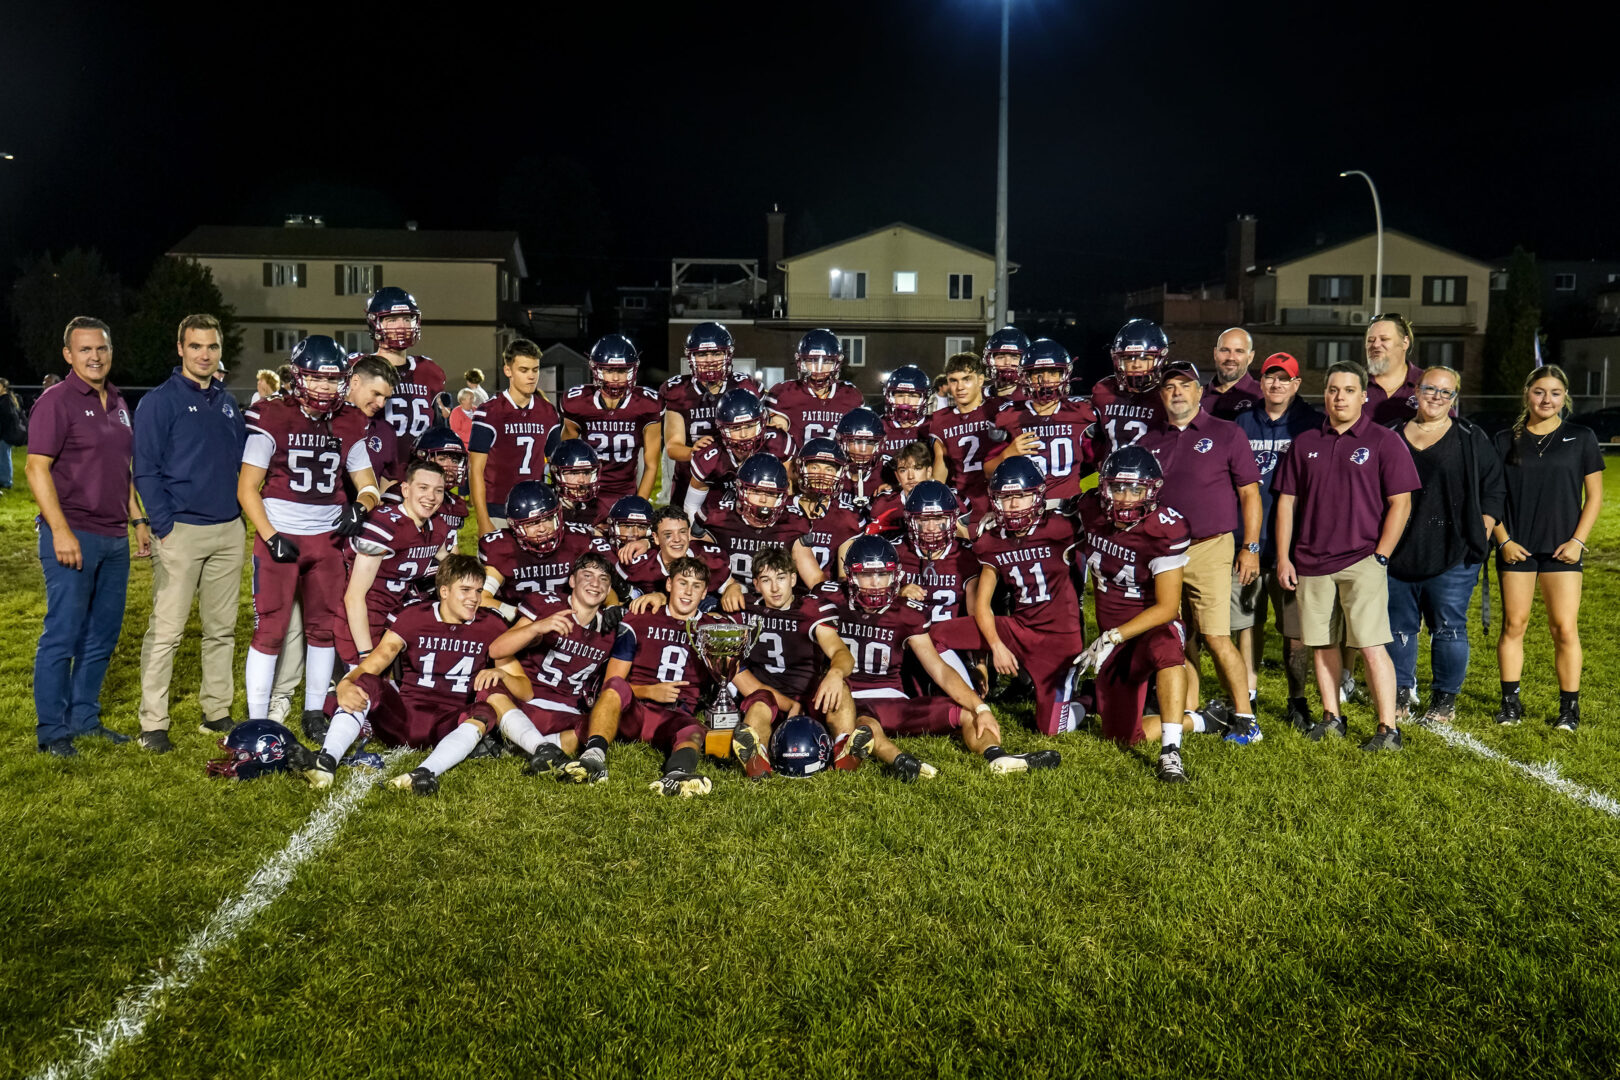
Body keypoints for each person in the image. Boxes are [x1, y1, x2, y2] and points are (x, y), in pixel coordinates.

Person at [1273, 360, 1420, 750]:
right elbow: (1287, 503)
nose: (1340, 397)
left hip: (1362, 559)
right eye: (1334, 390)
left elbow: (1400, 503)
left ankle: (1388, 728)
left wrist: (1382, 555)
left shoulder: (1384, 441)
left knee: (1370, 645)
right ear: (1325, 394)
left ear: (1363, 396)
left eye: (1349, 390)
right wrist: (1285, 557)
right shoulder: (1305, 443)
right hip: (1311, 561)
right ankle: (1332, 716)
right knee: (1321, 643)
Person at [240, 335, 381, 737]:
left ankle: (314, 711)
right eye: (315, 378)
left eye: (331, 379)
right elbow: (247, 488)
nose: (323, 387)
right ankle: (258, 720)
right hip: (280, 534)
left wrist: (363, 505)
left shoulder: (349, 420)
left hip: (327, 539)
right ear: (297, 376)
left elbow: (367, 483)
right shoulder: (271, 414)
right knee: (270, 629)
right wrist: (269, 535)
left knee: (323, 629)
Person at [825, 536, 1060, 775]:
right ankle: (901, 761)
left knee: (968, 713)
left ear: (895, 576)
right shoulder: (830, 601)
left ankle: (997, 757)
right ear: (850, 575)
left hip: (894, 701)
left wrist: (981, 708)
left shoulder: (906, 612)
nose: (875, 583)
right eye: (865, 574)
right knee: (864, 725)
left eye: (882, 575)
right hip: (849, 699)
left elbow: (939, 669)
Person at [25, 316, 150, 755]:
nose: (94, 356)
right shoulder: (55, 401)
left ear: (110, 351)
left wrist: (137, 521)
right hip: (73, 532)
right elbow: (35, 467)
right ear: (68, 356)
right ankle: (52, 732)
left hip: (114, 536)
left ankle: (84, 718)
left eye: (101, 348)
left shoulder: (117, 400)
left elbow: (122, 470)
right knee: (63, 632)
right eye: (84, 350)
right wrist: (60, 531)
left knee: (102, 634)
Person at [306, 555, 525, 794]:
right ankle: (326, 760)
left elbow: (525, 688)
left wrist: (501, 675)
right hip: (404, 719)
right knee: (367, 681)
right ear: (444, 591)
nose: (474, 598)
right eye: (465, 590)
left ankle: (425, 772)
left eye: (478, 590)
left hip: (449, 725)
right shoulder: (414, 617)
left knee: (486, 711)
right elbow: (377, 660)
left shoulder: (491, 626)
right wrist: (346, 683)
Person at [131, 314, 248, 753]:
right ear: (180, 348)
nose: (204, 354)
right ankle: (153, 722)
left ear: (220, 351)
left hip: (227, 530)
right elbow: (144, 467)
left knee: (221, 629)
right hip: (180, 530)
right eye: (196, 346)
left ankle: (215, 709)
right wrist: (162, 525)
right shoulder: (160, 401)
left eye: (212, 347)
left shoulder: (226, 400)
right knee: (167, 631)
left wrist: (237, 516)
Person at [1137, 359, 1262, 743]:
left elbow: (1250, 493)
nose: (1177, 392)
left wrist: (1250, 546)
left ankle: (1245, 717)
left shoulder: (1226, 434)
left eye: (1184, 385)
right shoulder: (1148, 440)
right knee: (1177, 634)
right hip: (1164, 551)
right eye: (1170, 386)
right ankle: (1188, 708)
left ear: (1199, 391)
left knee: (1217, 636)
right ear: (1161, 394)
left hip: (1210, 546)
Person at [1380, 365, 1505, 724]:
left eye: (1445, 392)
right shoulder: (1390, 435)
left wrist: (1484, 525)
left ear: (1454, 398)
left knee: (1448, 626)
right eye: (1430, 389)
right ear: (1415, 391)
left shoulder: (1469, 436)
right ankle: (1401, 693)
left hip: (1454, 550)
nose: (1436, 396)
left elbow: (1494, 486)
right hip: (1399, 548)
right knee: (1397, 626)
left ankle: (1444, 701)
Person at [928, 457, 1086, 736]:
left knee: (1051, 730)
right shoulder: (992, 540)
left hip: (1060, 641)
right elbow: (982, 604)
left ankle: (1090, 699)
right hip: (1020, 629)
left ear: (1037, 497)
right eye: (1006, 497)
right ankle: (970, 696)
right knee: (936, 635)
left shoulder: (1061, 528)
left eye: (1021, 496)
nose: (1013, 505)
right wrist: (997, 646)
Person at [1491, 365, 1604, 731]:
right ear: (1527, 393)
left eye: (1555, 393)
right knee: (1514, 625)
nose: (1547, 399)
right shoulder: (1504, 440)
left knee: (1564, 628)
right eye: (1540, 391)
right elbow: (1492, 497)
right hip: (1517, 548)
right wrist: (1504, 540)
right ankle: (1511, 704)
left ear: (1564, 397)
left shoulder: (1581, 436)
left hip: (1562, 551)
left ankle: (1568, 709)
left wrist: (1577, 542)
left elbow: (1595, 496)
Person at [1073, 447, 1197, 781]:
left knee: (1168, 651)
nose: (1126, 498)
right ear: (1104, 488)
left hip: (1148, 629)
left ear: (1152, 490)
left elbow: (1167, 607)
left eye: (1135, 489)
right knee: (1121, 737)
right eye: (1118, 488)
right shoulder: (1090, 510)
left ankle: (1171, 752)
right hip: (1113, 640)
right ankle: (1199, 720)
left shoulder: (1165, 528)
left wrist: (1113, 637)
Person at [558, 556, 724, 796]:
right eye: (682, 582)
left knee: (692, 730)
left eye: (696, 585)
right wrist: (650, 690)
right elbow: (611, 683)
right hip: (636, 711)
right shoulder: (641, 618)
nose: (688, 591)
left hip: (676, 716)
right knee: (615, 685)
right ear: (668, 585)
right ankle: (593, 758)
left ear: (704, 592)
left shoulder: (712, 630)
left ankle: (678, 774)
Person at [1230, 353, 1322, 729]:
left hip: (1293, 547)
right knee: (1247, 624)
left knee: (1294, 632)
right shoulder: (1242, 422)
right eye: (1270, 377)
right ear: (1261, 381)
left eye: (1285, 379)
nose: (1277, 384)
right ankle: (1246, 696)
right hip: (1248, 542)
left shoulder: (1311, 424)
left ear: (1297, 384)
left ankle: (1296, 699)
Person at [729, 545, 873, 778]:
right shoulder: (745, 609)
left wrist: (835, 674)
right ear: (755, 584)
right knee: (758, 705)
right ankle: (757, 758)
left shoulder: (810, 609)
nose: (775, 588)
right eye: (766, 580)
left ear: (794, 578)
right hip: (768, 695)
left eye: (781, 578)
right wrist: (730, 590)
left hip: (810, 698)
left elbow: (840, 652)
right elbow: (714, 631)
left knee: (840, 689)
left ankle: (845, 748)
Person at [478, 551, 629, 773]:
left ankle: (524, 749)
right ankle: (538, 747)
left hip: (567, 712)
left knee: (598, 727)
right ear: (572, 581)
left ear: (608, 591)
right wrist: (537, 627)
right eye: (587, 575)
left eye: (603, 579)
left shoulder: (613, 628)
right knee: (489, 688)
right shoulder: (548, 605)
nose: (595, 584)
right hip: (527, 702)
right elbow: (497, 650)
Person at [338, 460, 453, 666]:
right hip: (365, 619)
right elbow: (354, 597)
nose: (431, 497)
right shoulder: (384, 526)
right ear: (406, 490)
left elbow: (450, 562)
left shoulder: (437, 526)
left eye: (438, 490)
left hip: (398, 616)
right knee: (362, 692)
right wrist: (366, 654)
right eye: (423, 488)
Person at [661, 322, 763, 511]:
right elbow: (673, 447)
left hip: (737, 479)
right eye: (702, 354)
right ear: (691, 357)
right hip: (692, 478)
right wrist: (694, 452)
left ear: (728, 355)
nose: (709, 360)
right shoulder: (679, 391)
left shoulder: (744, 386)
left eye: (716, 353)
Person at [987, 339, 1097, 508]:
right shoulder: (1009, 416)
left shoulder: (1081, 412)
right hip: (1025, 509)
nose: (1045, 380)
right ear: (1026, 376)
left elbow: (1099, 461)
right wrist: (1008, 453)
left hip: (1069, 507)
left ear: (1064, 375)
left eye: (1053, 373)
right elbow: (988, 472)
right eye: (1038, 373)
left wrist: (1087, 496)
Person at [469, 338, 560, 535]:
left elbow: (556, 465)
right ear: (508, 370)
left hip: (536, 510)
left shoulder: (547, 412)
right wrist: (483, 519)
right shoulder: (490, 412)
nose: (531, 377)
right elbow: (476, 470)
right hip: (498, 508)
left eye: (535, 370)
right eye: (524, 370)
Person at [479, 480, 616, 609]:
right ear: (514, 525)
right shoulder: (503, 547)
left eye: (548, 519)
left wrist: (612, 607)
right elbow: (481, 598)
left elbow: (604, 591)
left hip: (571, 620)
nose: (543, 528)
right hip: (518, 624)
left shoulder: (576, 541)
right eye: (533, 523)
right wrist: (520, 615)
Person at [701, 453, 824, 594]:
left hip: (774, 605)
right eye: (756, 491)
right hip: (726, 600)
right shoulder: (718, 517)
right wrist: (728, 586)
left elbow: (814, 578)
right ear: (741, 490)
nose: (763, 500)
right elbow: (692, 562)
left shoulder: (792, 524)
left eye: (771, 494)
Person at [560, 333, 662, 502]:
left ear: (632, 370)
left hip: (626, 493)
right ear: (596, 369)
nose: (615, 378)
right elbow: (565, 459)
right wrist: (571, 497)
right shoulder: (577, 403)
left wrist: (638, 503)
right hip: (585, 493)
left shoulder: (647, 405)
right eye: (608, 370)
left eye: (622, 371)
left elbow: (651, 466)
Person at [683, 388, 795, 524]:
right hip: (724, 522)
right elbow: (692, 505)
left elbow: (788, 492)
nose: (743, 435)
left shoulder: (776, 443)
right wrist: (696, 533)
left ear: (762, 423)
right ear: (722, 429)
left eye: (749, 426)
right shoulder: (711, 457)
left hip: (768, 520)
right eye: (735, 428)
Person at [367, 287, 447, 475]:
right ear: (375, 323)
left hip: (418, 477)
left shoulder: (429, 371)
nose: (401, 326)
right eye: (392, 320)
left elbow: (437, 428)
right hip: (375, 475)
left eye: (407, 318)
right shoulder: (361, 369)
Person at [762, 328, 865, 449]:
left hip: (835, 466)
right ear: (800, 362)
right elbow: (774, 443)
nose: (819, 369)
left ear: (837, 363)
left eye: (826, 361)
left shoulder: (850, 396)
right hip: (795, 465)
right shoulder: (784, 394)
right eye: (812, 361)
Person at [923, 352, 1001, 508]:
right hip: (962, 505)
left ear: (980, 380)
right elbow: (941, 469)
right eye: (953, 380)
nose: (959, 387)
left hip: (999, 499)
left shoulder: (998, 410)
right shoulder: (941, 421)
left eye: (966, 379)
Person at [1090, 318, 1171, 461]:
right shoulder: (1103, 391)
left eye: (1145, 359)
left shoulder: (1168, 394)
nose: (1136, 365)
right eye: (1128, 359)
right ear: (1117, 360)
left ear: (1160, 359)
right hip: (1112, 477)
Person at [792, 438, 865, 576]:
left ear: (839, 474)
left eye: (829, 469)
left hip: (825, 592)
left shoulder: (846, 517)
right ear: (802, 469)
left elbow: (844, 577)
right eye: (815, 467)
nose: (821, 475)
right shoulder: (784, 507)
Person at [1363, 313, 1426, 424]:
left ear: (1405, 343)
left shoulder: (1428, 383)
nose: (1376, 345)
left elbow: (1448, 431)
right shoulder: (1353, 382)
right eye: (1370, 340)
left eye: (1384, 339)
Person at [878, 366, 944, 469]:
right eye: (900, 395)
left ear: (924, 398)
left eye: (913, 395)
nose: (906, 402)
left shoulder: (934, 425)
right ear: (890, 397)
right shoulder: (879, 426)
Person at [1201, 327, 1263, 420]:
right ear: (1215, 354)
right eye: (1225, 350)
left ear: (1250, 357)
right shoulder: (1197, 396)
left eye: (1239, 351)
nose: (1231, 358)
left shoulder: (1263, 396)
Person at [982, 326, 1030, 404]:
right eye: (1000, 357)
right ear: (989, 360)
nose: (1007, 363)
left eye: (1014, 358)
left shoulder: (1031, 398)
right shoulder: (979, 395)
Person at [0, 376, 26, 491]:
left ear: (4, 387)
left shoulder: (5, 400)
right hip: (5, 433)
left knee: (4, 458)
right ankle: (4, 480)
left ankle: (6, 482)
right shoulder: (6, 399)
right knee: (4, 457)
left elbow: (10, 418)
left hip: (5, 434)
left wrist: (4, 433)